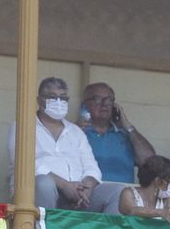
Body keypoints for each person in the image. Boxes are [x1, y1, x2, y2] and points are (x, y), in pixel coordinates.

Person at [8, 77, 121, 213]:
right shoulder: (23, 125)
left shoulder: (76, 131)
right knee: (44, 183)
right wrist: (64, 185)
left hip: (79, 194)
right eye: (52, 97)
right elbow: (24, 164)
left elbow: (92, 167)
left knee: (117, 192)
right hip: (45, 193)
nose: (59, 102)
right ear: (39, 101)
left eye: (63, 98)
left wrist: (87, 187)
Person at [81, 83, 155, 187]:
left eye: (109, 100)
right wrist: (77, 129)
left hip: (123, 197)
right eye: (97, 99)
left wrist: (127, 126)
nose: (104, 104)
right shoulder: (76, 134)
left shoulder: (125, 135)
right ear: (85, 105)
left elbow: (150, 161)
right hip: (88, 194)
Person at [118, 156, 170, 224]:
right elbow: (130, 210)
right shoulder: (128, 193)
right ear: (158, 181)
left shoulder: (167, 199)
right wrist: (161, 212)